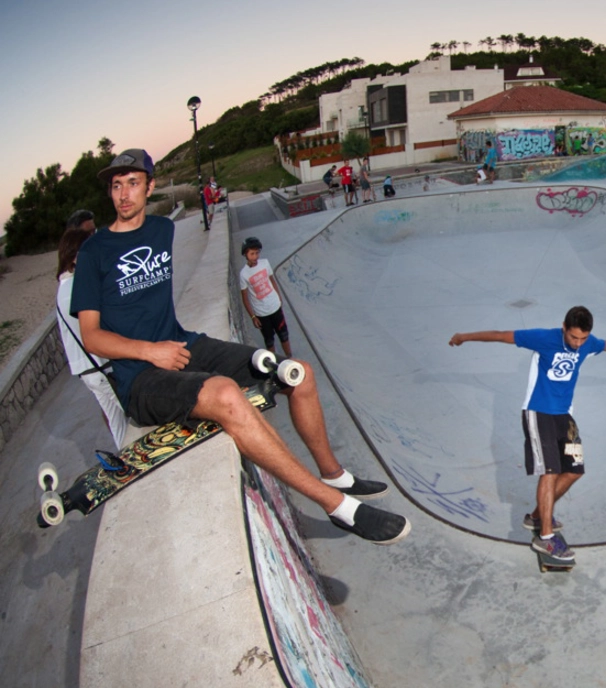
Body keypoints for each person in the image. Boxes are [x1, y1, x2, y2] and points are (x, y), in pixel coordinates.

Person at [71, 149, 409, 544]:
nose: (123, 195)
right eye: (116, 186)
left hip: (185, 347)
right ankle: (336, 505)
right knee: (227, 395)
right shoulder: (93, 252)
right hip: (140, 378)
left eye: (132, 183)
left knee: (296, 373)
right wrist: (149, 351)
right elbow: (92, 336)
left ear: (150, 186)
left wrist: (170, 346)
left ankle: (333, 472)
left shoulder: (163, 230)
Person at [448, 306, 606, 561]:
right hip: (538, 412)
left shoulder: (588, 343)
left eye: (583, 339)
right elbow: (500, 335)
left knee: (573, 471)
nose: (578, 344)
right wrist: (464, 336)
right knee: (550, 471)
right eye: (573, 338)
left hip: (564, 417)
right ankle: (545, 539)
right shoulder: (544, 338)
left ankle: (537, 516)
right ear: (564, 328)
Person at [56, 210, 129, 448]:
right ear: (75, 257)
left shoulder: (63, 289)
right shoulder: (77, 287)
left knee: (117, 424)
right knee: (134, 417)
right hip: (101, 365)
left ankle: (128, 465)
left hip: (88, 371)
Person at [240, 237, 292, 358]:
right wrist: (253, 316)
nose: (255, 257)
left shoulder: (265, 263)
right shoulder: (244, 274)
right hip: (261, 313)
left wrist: (278, 296)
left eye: (257, 253)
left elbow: (272, 280)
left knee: (283, 334)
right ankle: (273, 363)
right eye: (252, 254)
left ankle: (289, 357)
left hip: (275, 306)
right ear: (245, 255)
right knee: (269, 340)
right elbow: (245, 297)